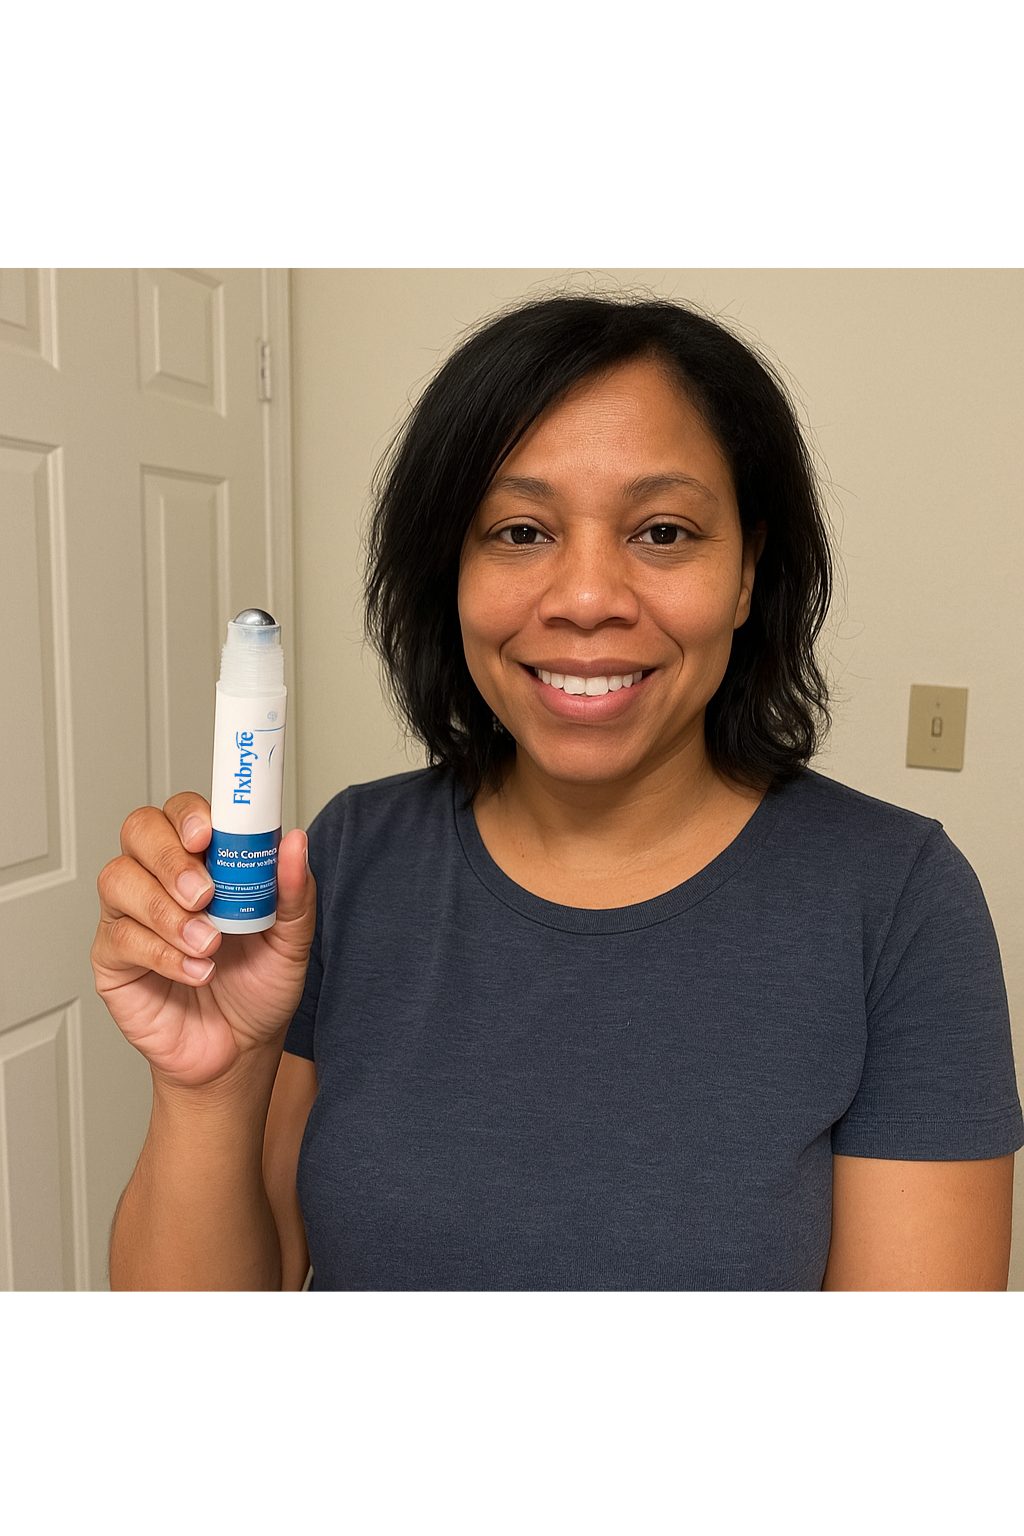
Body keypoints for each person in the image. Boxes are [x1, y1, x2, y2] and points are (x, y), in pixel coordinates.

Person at [92, 295, 1022, 1291]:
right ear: (448, 569)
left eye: (663, 532)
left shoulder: (895, 900)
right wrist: (212, 1086)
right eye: (520, 531)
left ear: (749, 571)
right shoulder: (349, 859)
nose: (585, 598)